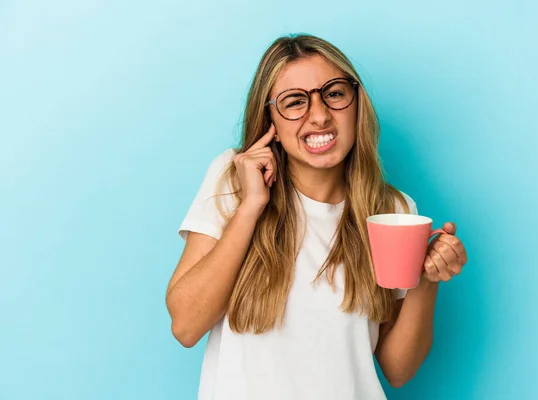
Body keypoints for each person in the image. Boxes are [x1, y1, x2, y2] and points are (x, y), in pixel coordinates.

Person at [166, 34, 468, 400]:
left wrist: (427, 278)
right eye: (294, 102)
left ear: (357, 104)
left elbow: (398, 369)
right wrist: (250, 208)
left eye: (335, 94)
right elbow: (185, 326)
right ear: (269, 121)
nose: (320, 115)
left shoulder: (394, 211)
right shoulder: (232, 179)